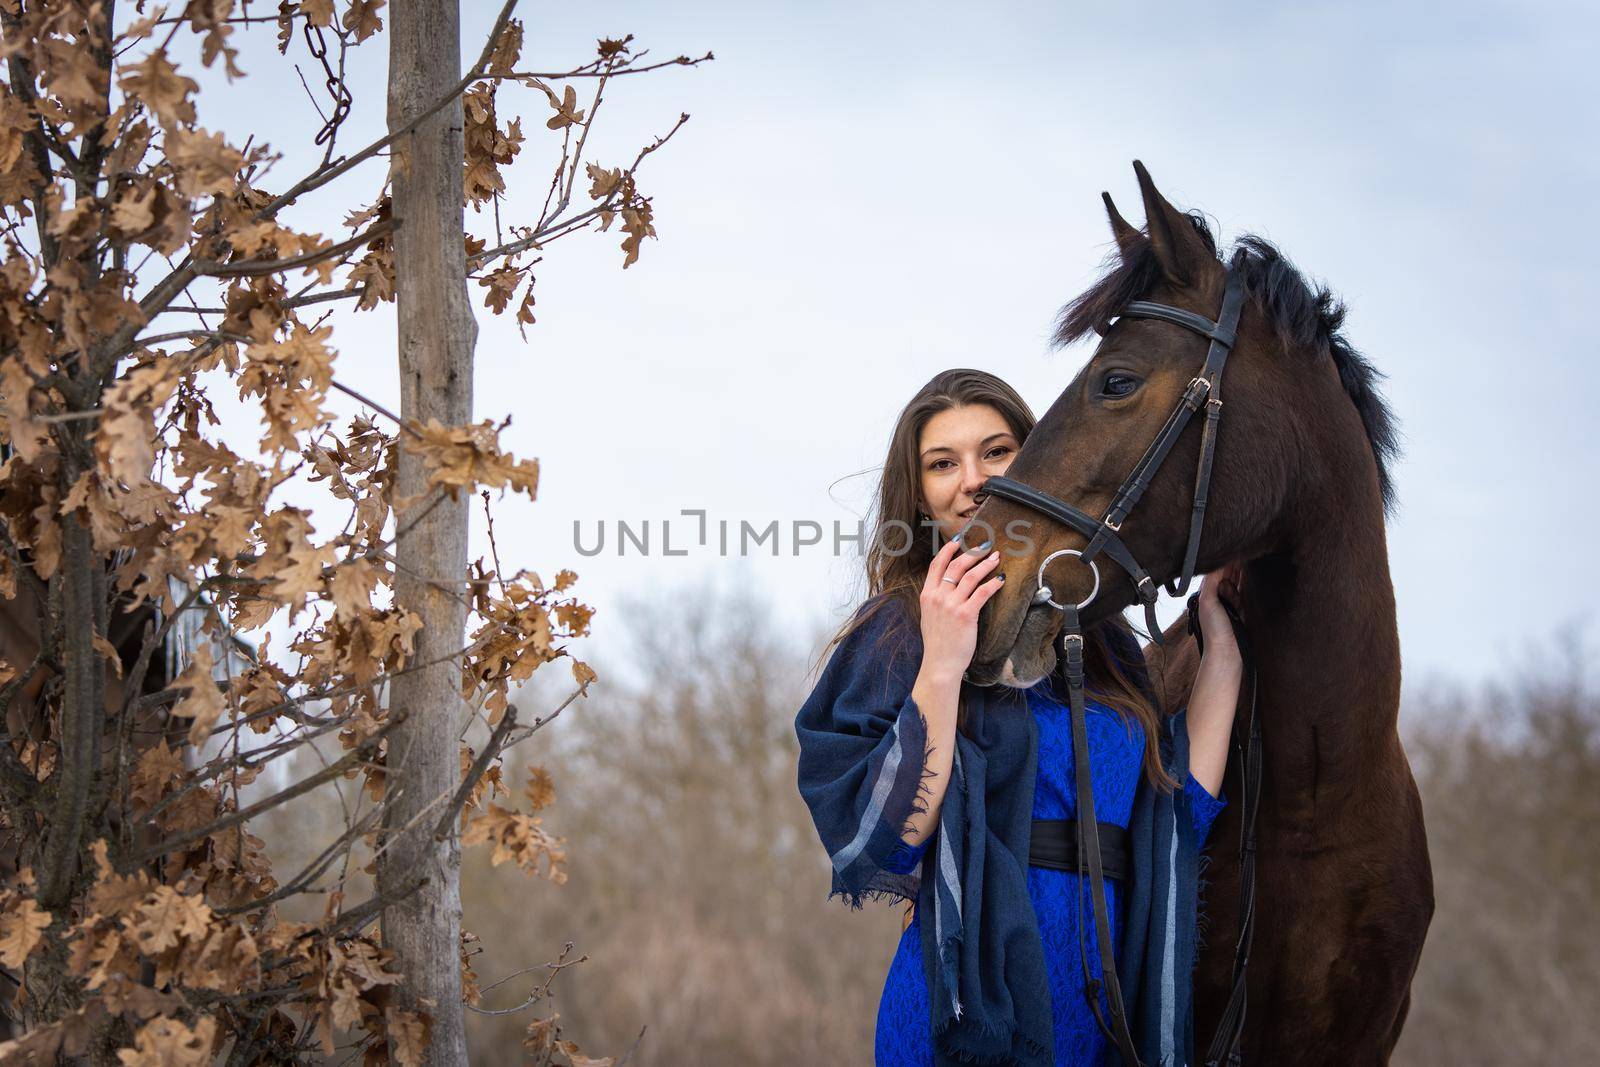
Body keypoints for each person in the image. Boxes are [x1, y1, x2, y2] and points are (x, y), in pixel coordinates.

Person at [794, 368, 1243, 1066]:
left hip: (1105, 1014)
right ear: (919, 497)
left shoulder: (1103, 641)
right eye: (943, 463)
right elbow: (888, 841)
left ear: (1039, 463)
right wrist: (942, 662)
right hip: (968, 1022)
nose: (973, 479)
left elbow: (1173, 814)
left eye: (996, 451)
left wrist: (1221, 649)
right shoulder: (896, 629)